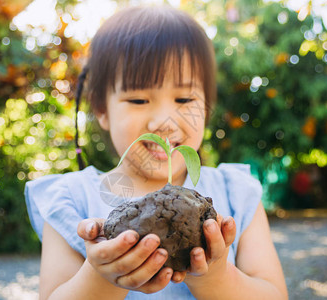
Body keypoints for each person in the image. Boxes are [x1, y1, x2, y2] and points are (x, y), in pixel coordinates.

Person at [25, 5, 288, 300]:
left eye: (184, 98)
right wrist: (104, 275)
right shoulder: (70, 200)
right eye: (138, 99)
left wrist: (215, 277)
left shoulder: (237, 194)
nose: (164, 121)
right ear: (102, 110)